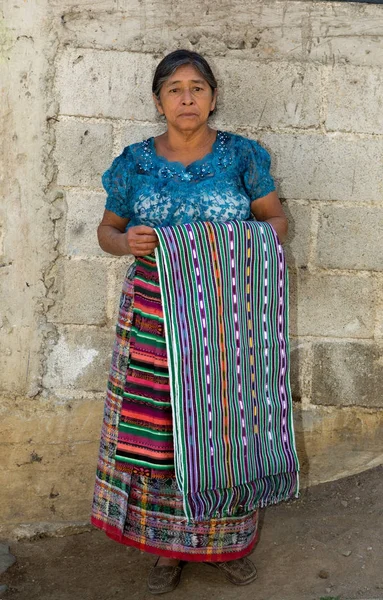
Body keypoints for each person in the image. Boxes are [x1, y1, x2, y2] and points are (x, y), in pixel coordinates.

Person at [91, 49, 289, 595]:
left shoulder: (242, 157)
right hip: (154, 320)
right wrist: (125, 241)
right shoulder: (133, 162)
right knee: (162, 432)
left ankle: (225, 545)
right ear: (159, 101)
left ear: (213, 97)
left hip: (228, 317)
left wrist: (239, 249)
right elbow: (107, 231)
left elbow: (275, 219)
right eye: (174, 88)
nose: (186, 98)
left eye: (197, 87)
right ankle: (165, 550)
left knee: (225, 427)